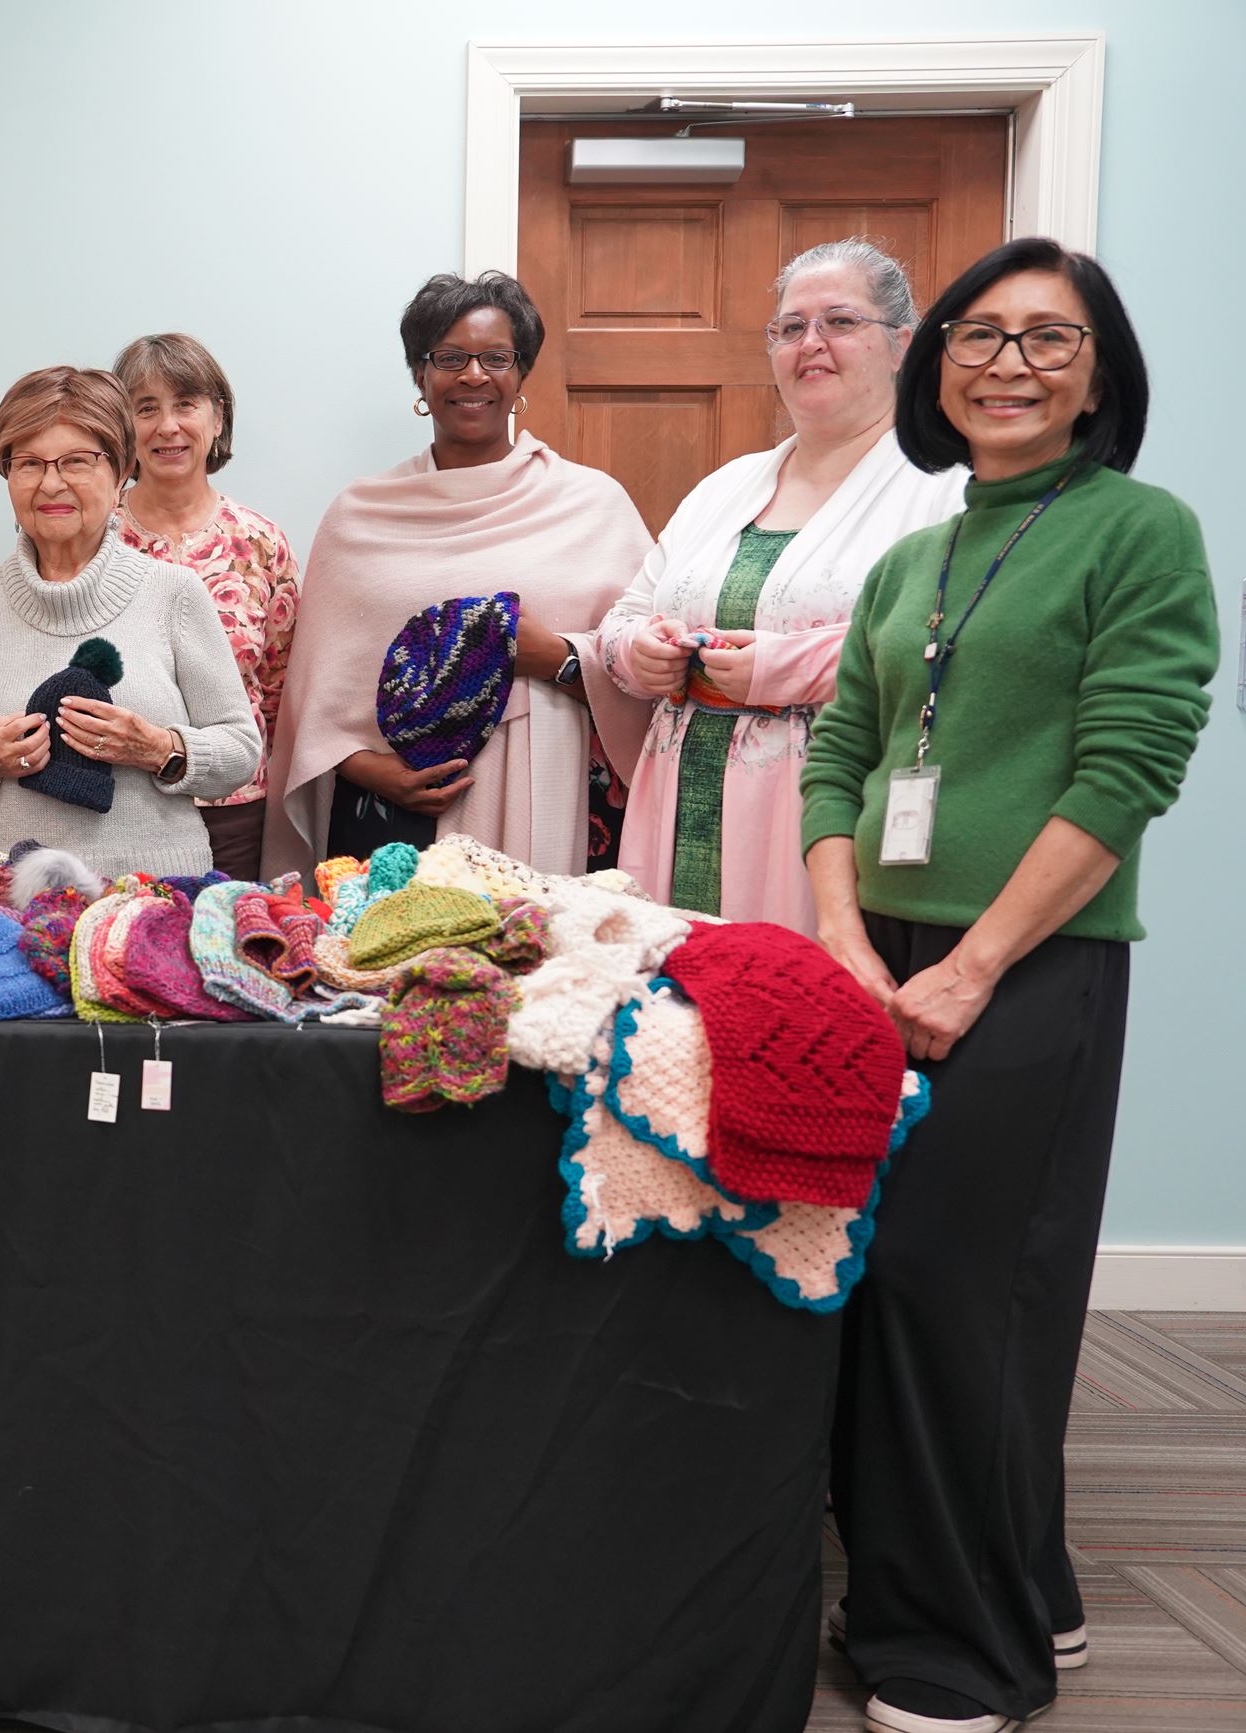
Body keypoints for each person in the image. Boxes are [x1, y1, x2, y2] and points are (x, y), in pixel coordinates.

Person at [801, 238, 1216, 1733]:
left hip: (1032, 961)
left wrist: (973, 968)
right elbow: (842, 755)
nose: (1009, 364)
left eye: (1051, 339)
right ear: (937, 368)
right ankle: (1021, 1579)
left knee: (962, 1294)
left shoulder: (1139, 530)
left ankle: (963, 1655)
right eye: (981, 336)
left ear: (1103, 372)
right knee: (885, 1285)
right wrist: (847, 944)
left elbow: (1129, 768)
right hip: (886, 956)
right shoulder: (917, 553)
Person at [597, 240, 966, 927]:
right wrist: (638, 650)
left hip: (829, 806)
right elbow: (625, 614)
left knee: (793, 1006)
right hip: (678, 802)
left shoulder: (944, 491)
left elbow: (943, 641)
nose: (812, 343)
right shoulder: (725, 486)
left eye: (841, 322)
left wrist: (780, 667)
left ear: (902, 345)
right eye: (791, 327)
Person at [259, 272, 652, 880]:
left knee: (544, 962)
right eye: (450, 358)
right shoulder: (360, 515)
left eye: (496, 357)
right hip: (395, 821)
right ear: (421, 375)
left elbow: (651, 671)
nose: (474, 376)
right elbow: (315, 703)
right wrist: (373, 771)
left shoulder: (593, 504)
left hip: (556, 802)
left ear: (520, 375)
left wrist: (556, 658)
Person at [0, 366, 259, 878]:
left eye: (77, 461)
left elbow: (240, 749)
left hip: (154, 896)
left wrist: (159, 749)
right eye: (28, 463)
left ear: (121, 473)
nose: (51, 482)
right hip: (8, 896)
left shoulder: (173, 593)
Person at [112, 332, 299, 879]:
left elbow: (277, 691)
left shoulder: (262, 543)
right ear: (122, 427)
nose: (167, 426)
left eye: (185, 405)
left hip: (233, 814)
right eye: (145, 408)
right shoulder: (88, 539)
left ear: (217, 419)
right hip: (114, 809)